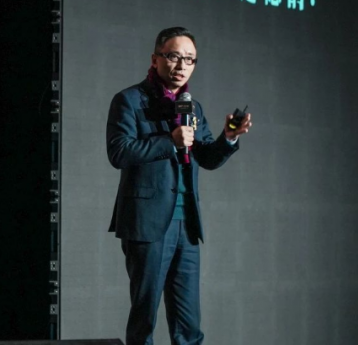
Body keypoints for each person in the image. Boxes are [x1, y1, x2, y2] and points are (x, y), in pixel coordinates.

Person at [106, 26, 251, 345]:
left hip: (187, 226)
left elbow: (207, 158)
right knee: (144, 319)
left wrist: (228, 137)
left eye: (190, 59)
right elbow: (119, 152)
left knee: (189, 325)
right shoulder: (129, 100)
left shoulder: (192, 107)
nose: (182, 65)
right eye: (174, 56)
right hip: (147, 224)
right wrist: (169, 141)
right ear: (155, 59)